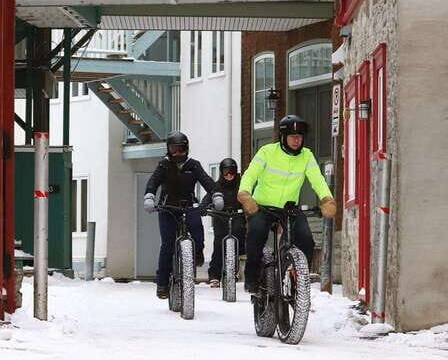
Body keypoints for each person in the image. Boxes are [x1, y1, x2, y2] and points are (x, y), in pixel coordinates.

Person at [237, 115, 337, 294]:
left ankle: (295, 278)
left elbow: (318, 180)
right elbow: (250, 174)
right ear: (283, 137)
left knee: (306, 240)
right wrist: (245, 194)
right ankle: (252, 276)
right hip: (262, 207)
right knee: (256, 234)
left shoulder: (307, 156)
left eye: (299, 136)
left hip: (289, 209)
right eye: (292, 136)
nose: (296, 140)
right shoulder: (267, 151)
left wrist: (326, 199)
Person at [144, 131, 223, 299]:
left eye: (181, 149)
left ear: (186, 149)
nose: (178, 153)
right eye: (174, 149)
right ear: (169, 150)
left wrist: (216, 194)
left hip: (188, 205)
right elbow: (153, 182)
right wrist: (149, 196)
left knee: (196, 228)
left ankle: (198, 252)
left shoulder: (193, 165)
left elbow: (207, 180)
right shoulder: (164, 165)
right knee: (167, 244)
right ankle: (163, 283)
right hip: (167, 208)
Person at [200, 157, 246, 288]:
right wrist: (204, 206)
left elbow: (250, 196)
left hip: (237, 214)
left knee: (239, 233)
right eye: (226, 172)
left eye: (232, 171)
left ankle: (234, 269)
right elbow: (208, 197)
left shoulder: (242, 184)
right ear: (221, 172)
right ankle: (214, 276)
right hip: (220, 216)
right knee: (219, 243)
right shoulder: (217, 185)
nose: (229, 175)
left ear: (236, 171)